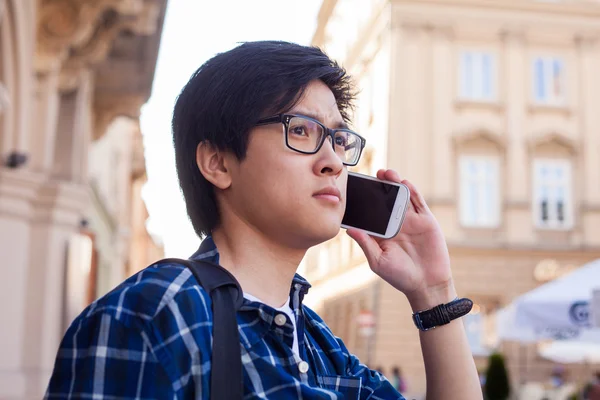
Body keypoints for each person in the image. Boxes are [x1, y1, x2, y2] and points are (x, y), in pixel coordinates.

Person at [44, 41, 481, 399]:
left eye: (338, 138)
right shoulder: (157, 313)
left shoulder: (318, 344)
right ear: (218, 163)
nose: (332, 161)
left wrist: (433, 293)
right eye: (302, 130)